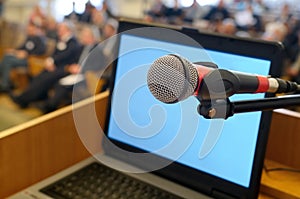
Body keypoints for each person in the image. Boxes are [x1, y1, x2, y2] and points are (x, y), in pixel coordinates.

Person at [38, 20, 118, 113]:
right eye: (83, 35)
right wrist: (73, 66)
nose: (82, 37)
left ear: (92, 37)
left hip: (87, 76)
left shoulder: (98, 50)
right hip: (76, 72)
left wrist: (81, 69)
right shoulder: (82, 47)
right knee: (58, 80)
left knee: (63, 86)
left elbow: (97, 66)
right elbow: (76, 59)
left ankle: (50, 107)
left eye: (85, 35)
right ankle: (50, 104)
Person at [10, 20, 81, 108]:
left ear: (68, 30)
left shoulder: (73, 42)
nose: (59, 31)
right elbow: (55, 54)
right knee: (38, 77)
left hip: (66, 69)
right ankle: (26, 98)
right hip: (56, 67)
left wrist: (52, 61)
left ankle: (24, 100)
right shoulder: (61, 41)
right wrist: (50, 61)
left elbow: (65, 56)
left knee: (45, 78)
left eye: (61, 29)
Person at [0, 22, 46, 92]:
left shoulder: (40, 39)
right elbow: (21, 47)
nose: (28, 30)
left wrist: (27, 54)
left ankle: (4, 85)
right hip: (20, 57)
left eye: (31, 28)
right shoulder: (29, 37)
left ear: (35, 28)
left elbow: (41, 52)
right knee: (7, 56)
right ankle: (7, 82)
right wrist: (14, 51)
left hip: (30, 60)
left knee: (8, 61)